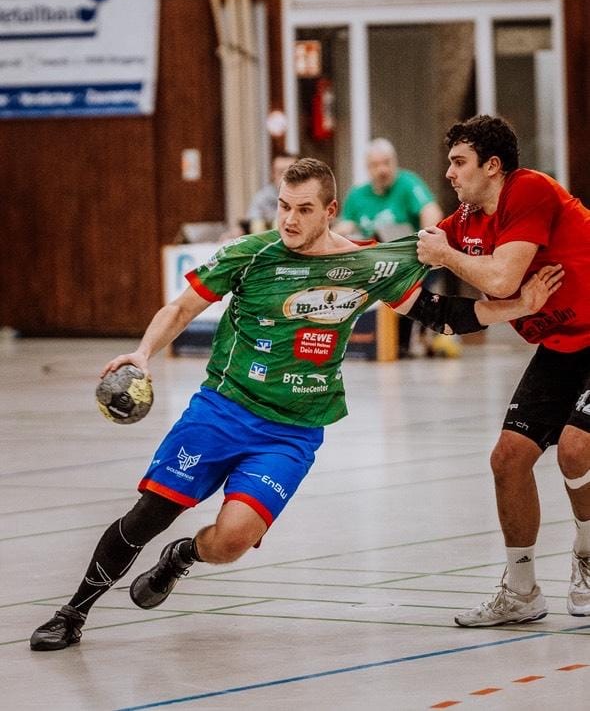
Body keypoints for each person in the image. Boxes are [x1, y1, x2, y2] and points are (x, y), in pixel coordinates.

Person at [29, 157, 562, 651]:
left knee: (232, 540)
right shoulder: (250, 253)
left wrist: (518, 305)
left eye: (304, 209)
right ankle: (73, 613)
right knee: (151, 514)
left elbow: (440, 314)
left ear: (330, 210)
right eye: (284, 206)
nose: (289, 219)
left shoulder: (363, 264)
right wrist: (143, 353)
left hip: (292, 432)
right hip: (222, 410)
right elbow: (182, 307)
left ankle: (183, 556)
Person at [416, 114, 590, 628]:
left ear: (492, 166)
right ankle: (521, 591)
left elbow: (502, 277)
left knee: (577, 448)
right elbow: (411, 253)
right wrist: (327, 253)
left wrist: (445, 256)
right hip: (562, 345)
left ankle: (588, 556)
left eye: (459, 162)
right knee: (508, 459)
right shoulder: (468, 220)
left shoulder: (529, 189)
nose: (449, 173)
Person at [335, 137, 450, 357]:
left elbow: (431, 211)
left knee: (408, 282)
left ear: (395, 162)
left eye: (387, 163)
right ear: (368, 168)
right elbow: (345, 226)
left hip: (410, 259)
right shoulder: (358, 195)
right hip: (372, 262)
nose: (382, 170)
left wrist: (427, 242)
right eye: (376, 165)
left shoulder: (408, 183)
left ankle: (404, 341)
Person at [246, 152, 299, 234]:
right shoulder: (262, 198)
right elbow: (252, 223)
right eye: (281, 172)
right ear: (273, 174)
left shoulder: (307, 196)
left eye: (291, 173)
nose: (286, 177)